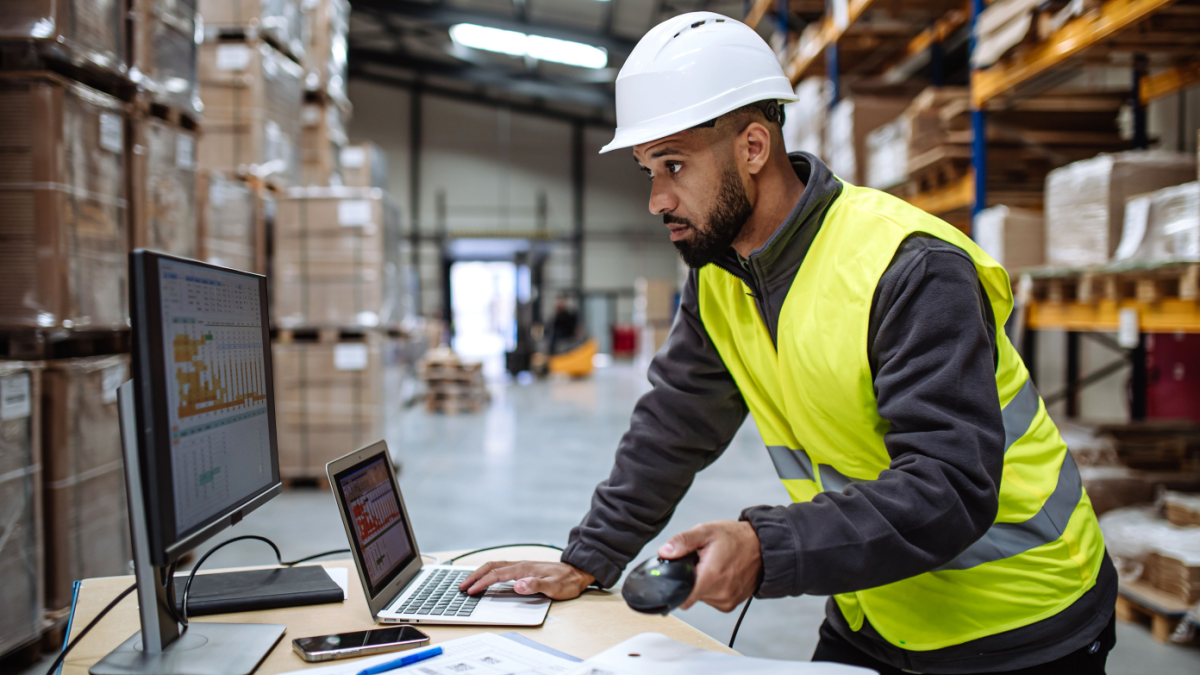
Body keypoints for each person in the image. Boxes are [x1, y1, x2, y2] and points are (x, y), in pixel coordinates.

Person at [461, 12, 1116, 675]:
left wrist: (763, 545)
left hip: (1018, 618)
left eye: (675, 164)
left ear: (752, 147)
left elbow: (949, 485)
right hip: (876, 605)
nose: (657, 198)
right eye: (647, 170)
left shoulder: (908, 266)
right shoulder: (719, 278)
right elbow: (674, 424)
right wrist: (587, 557)